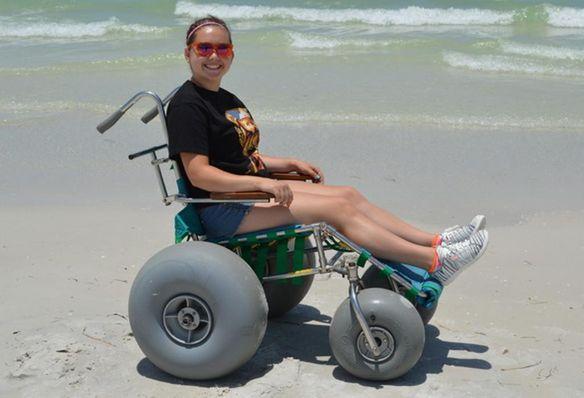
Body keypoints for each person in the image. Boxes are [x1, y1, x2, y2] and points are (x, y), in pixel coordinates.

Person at [166, 16, 489, 286]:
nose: (214, 56)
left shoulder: (225, 98)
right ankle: (435, 263)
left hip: (245, 193)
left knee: (347, 195)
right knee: (335, 212)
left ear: (232, 53)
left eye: (222, 47)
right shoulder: (187, 105)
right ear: (188, 53)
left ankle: (435, 242)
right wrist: (264, 184)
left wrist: (287, 163)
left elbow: (239, 157)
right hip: (221, 208)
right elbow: (200, 173)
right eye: (204, 48)